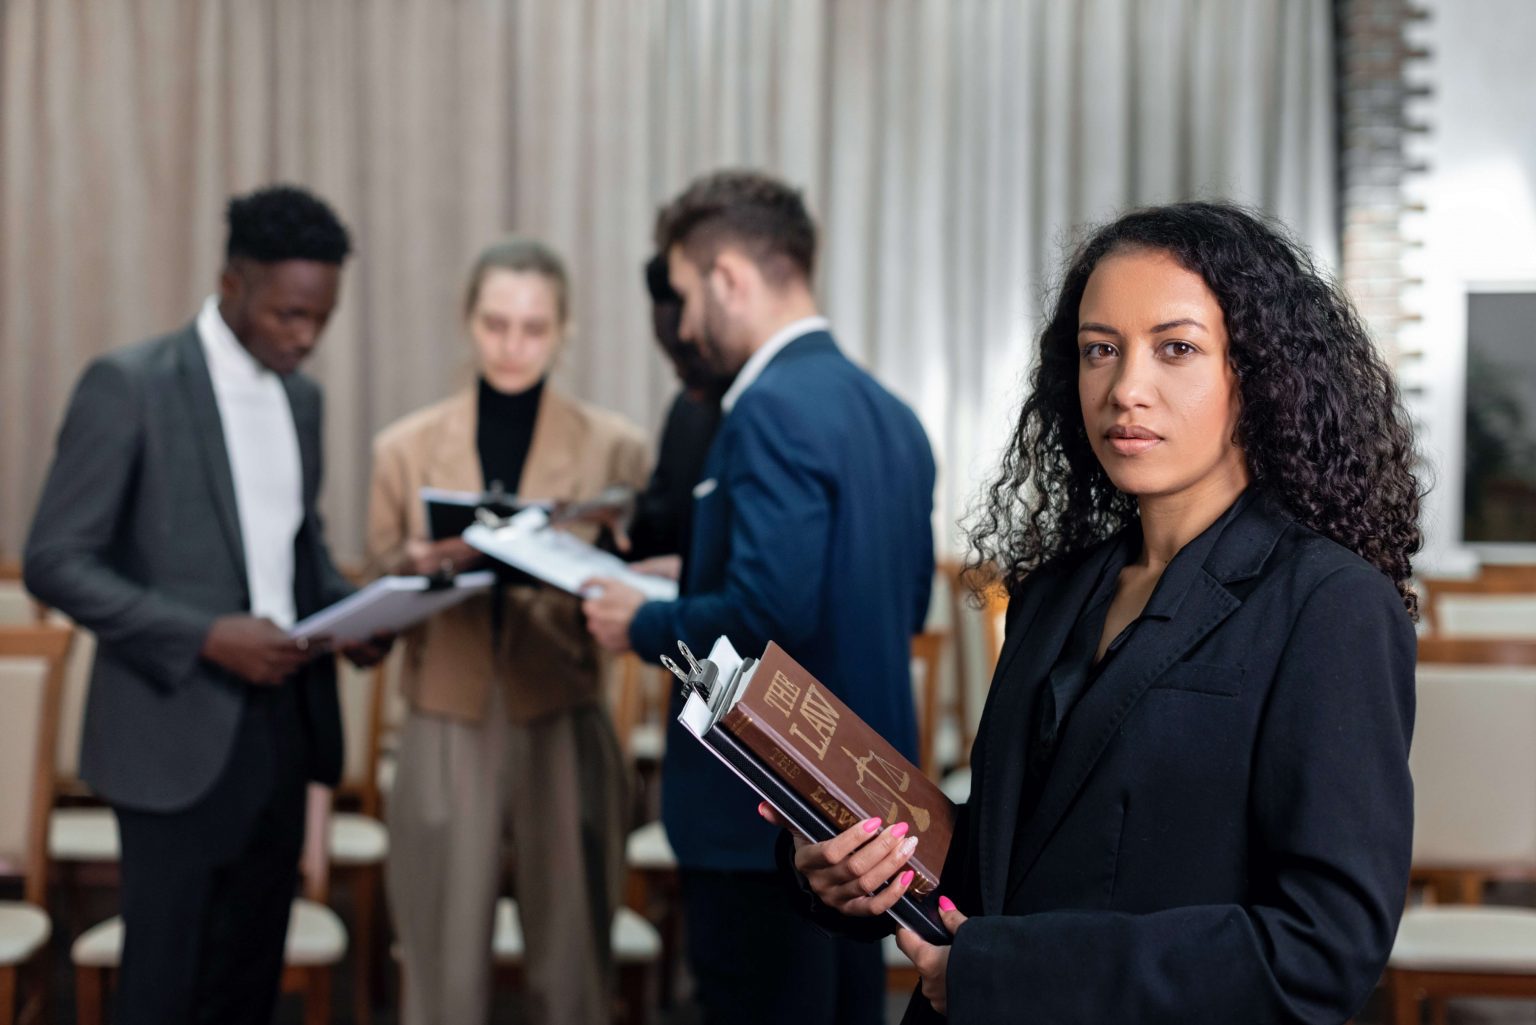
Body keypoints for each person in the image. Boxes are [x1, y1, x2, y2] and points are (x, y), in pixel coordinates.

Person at [774, 202, 1423, 1024]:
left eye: (1176, 348)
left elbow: (1321, 950)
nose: (1126, 389)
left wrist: (1009, 974)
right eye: (1099, 350)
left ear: (1256, 373)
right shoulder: (1056, 592)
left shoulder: (1331, 605)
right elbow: (1019, 857)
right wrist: (854, 871)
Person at [24, 184, 388, 1025]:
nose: (305, 337)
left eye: (321, 319)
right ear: (232, 283)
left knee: (248, 982)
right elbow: (54, 559)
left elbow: (292, 555)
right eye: (290, 314)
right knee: (162, 988)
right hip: (170, 734)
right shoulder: (130, 385)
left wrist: (357, 616)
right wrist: (201, 637)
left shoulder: (304, 401)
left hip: (282, 732)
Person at [582, 170, 937, 1025]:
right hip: (868, 804)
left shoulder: (767, 408)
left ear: (729, 278)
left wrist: (644, 622)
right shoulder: (889, 412)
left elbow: (768, 613)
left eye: (683, 294)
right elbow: (904, 599)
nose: (687, 323)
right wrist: (697, 575)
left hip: (770, 815)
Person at [367, 237, 651, 1025]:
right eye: (495, 324)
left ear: (565, 330)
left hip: (561, 700)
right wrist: (419, 561)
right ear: (468, 323)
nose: (512, 344)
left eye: (532, 327)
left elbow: (646, 575)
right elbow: (374, 575)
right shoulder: (405, 447)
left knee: (573, 959)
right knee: (438, 958)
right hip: (445, 707)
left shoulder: (615, 447)